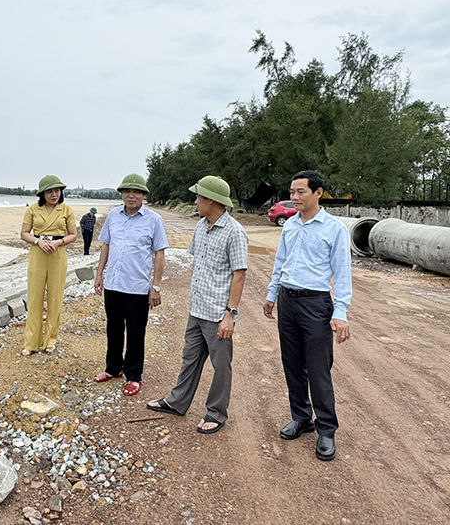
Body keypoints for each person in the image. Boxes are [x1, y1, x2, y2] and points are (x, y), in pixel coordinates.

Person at [146, 176, 248, 433]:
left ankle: (216, 412)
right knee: (189, 359)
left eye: (199, 196)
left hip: (217, 313)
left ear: (211, 200)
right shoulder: (201, 226)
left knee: (221, 366)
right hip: (197, 309)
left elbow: (239, 274)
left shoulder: (234, 232)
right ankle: (177, 401)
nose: (195, 201)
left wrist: (230, 315)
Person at [263, 170, 352, 462]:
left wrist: (340, 312)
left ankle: (326, 429)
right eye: (292, 191)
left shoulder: (334, 229)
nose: (294, 197)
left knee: (317, 368)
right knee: (292, 363)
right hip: (288, 301)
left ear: (318, 193)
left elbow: (342, 273)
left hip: (315, 304)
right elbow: (280, 262)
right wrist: (272, 294)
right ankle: (301, 417)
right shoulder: (289, 226)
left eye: (300, 191)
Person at [93, 174, 168, 396]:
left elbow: (159, 254)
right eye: (127, 191)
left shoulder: (154, 220)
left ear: (144, 195)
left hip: (137, 287)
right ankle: (113, 368)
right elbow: (106, 246)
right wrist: (99, 275)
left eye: (136, 192)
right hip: (114, 284)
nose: (131, 195)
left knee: (136, 332)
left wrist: (156, 286)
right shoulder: (113, 216)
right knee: (113, 329)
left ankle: (134, 376)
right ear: (122, 194)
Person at [19, 175, 77, 355]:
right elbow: (24, 233)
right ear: (42, 193)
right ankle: (31, 343)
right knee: (35, 296)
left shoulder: (66, 209)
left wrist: (59, 243)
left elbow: (73, 234)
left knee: (55, 297)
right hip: (38, 252)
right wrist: (38, 242)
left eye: (57, 191)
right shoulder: (33, 209)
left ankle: (50, 340)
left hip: (58, 253)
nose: (54, 194)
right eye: (50, 191)